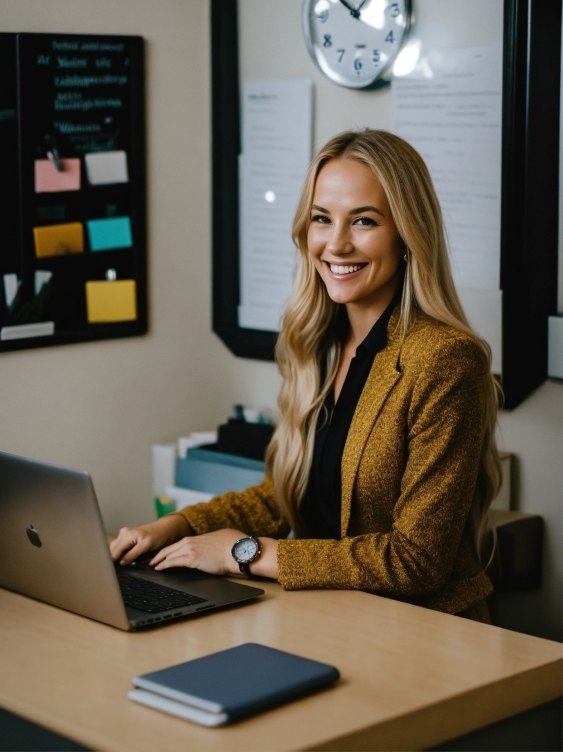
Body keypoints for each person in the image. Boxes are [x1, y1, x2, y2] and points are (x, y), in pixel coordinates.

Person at [110, 129, 501, 622]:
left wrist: (246, 553)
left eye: (363, 221)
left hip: (424, 631)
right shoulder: (319, 342)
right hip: (331, 618)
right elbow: (288, 492)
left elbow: (416, 561)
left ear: (407, 233)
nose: (336, 244)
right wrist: (176, 526)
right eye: (322, 219)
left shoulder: (445, 360)